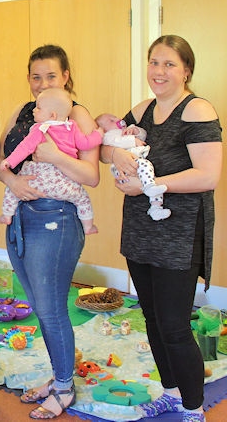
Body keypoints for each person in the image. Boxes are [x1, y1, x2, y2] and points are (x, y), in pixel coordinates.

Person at [101, 35, 222, 422]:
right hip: (140, 227)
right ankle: (170, 393)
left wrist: (151, 185)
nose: (159, 71)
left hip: (179, 233)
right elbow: (106, 143)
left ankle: (193, 408)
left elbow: (208, 175)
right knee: (151, 318)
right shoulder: (143, 109)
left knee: (173, 325)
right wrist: (116, 152)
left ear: (186, 69)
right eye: (154, 63)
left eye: (169, 64)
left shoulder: (198, 110)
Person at [0, 44, 100, 419]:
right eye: (35, 77)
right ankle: (58, 377)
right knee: (39, 306)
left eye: (50, 76)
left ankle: (65, 388)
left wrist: (55, 156)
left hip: (56, 220)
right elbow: (1, 159)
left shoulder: (76, 114)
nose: (42, 84)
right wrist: (12, 182)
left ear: (66, 76)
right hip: (21, 216)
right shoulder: (25, 113)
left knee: (53, 309)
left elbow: (92, 175)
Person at [0, 87, 102, 234]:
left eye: (38, 108)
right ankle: (88, 226)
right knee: (82, 198)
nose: (34, 110)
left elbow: (25, 148)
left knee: (12, 190)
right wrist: (98, 135)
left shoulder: (40, 128)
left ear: (52, 115)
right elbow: (85, 143)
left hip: (41, 179)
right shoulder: (71, 127)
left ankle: (7, 215)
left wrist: (10, 162)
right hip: (65, 182)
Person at [96, 112, 170, 220]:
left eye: (115, 116)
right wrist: (132, 140)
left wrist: (136, 131)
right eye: (111, 120)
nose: (117, 118)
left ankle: (156, 207)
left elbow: (144, 136)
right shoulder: (109, 136)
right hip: (125, 169)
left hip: (137, 164)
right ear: (103, 129)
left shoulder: (127, 130)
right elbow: (116, 142)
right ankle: (150, 188)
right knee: (146, 167)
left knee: (151, 179)